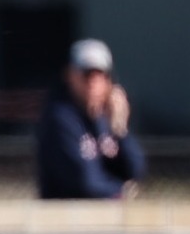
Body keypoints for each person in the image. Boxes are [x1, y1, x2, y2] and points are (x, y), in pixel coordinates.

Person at [36, 38, 146, 199]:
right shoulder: (60, 119)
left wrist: (120, 127)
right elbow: (84, 182)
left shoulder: (107, 120)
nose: (93, 82)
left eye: (100, 74)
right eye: (86, 74)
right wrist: (120, 191)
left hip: (106, 217)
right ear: (70, 76)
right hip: (67, 218)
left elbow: (135, 170)